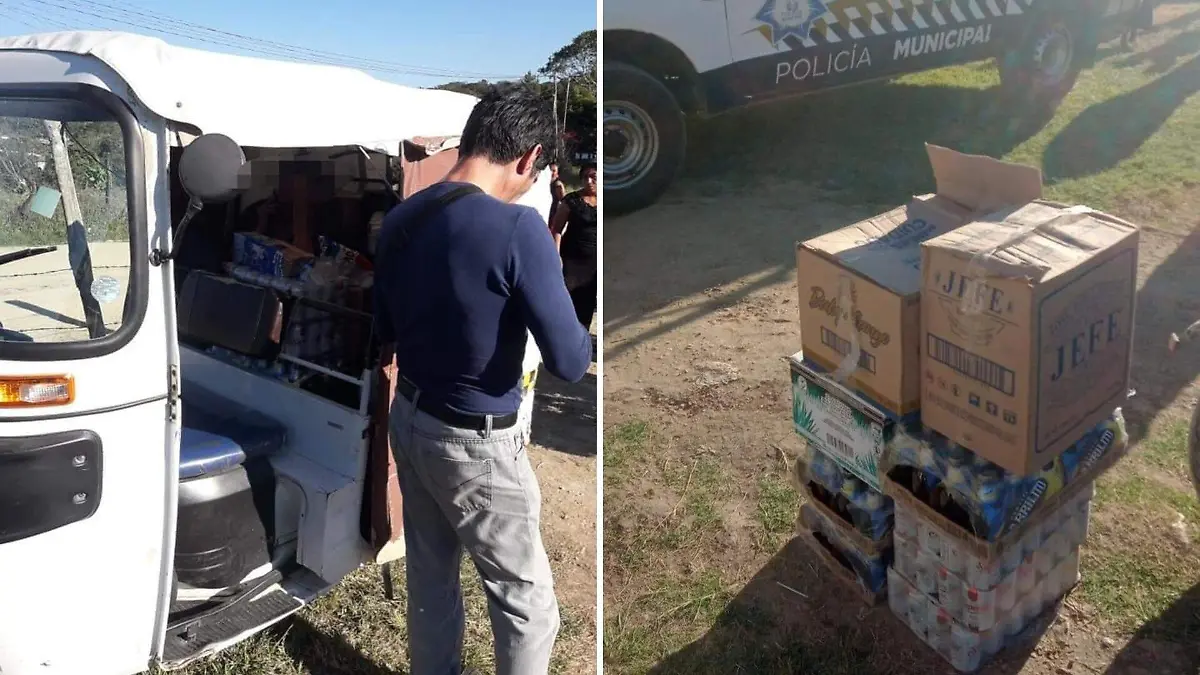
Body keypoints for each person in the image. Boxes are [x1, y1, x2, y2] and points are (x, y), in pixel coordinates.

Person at [373, 87, 591, 675]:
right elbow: (571, 361)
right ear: (530, 157)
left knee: (431, 577)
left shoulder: (401, 218)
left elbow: (385, 329)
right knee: (526, 604)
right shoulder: (519, 228)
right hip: (476, 441)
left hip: (410, 417)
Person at [549, 163, 598, 330]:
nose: (589, 181)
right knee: (568, 303)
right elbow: (557, 229)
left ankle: (582, 337)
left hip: (595, 263)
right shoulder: (572, 200)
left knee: (587, 304)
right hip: (572, 260)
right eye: (585, 177)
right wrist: (556, 257)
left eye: (593, 177)